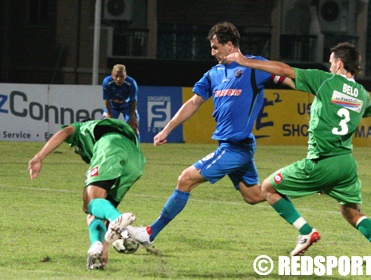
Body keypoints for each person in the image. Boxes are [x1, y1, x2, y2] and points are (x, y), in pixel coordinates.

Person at [225, 42, 371, 264]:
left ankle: (305, 231)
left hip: (322, 161)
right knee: (352, 212)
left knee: (268, 188)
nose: (329, 65)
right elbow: (364, 110)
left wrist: (246, 61)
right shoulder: (363, 95)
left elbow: (284, 70)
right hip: (345, 165)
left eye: (331, 61)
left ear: (340, 63)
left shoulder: (326, 81)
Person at [125, 22, 295, 246]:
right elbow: (194, 102)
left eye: (216, 47)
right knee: (254, 196)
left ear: (230, 45)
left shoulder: (253, 66)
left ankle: (149, 233)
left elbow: (287, 76)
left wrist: (313, 90)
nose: (212, 52)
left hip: (236, 148)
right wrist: (167, 129)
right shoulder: (213, 74)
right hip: (231, 146)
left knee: (185, 179)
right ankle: (301, 187)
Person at [28, 118, 146, 270]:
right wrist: (105, 248)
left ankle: (118, 219)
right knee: (97, 210)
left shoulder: (82, 128)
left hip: (110, 146)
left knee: (89, 201)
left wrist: (39, 157)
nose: (76, 149)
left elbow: (65, 132)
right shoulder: (116, 128)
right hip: (136, 160)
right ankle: (95, 247)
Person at [102, 64, 141, 142]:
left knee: (134, 126)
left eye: (122, 76)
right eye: (116, 76)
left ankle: (136, 149)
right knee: (105, 127)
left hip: (127, 105)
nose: (119, 79)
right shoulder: (107, 82)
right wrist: (109, 114)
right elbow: (106, 99)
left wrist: (132, 116)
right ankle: (107, 149)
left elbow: (133, 101)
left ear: (125, 75)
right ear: (112, 75)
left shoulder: (132, 83)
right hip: (113, 106)